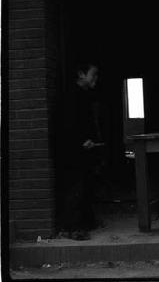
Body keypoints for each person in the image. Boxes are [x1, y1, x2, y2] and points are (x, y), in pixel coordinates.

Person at [60, 63, 102, 240]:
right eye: (93, 75)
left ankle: (85, 223)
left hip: (83, 148)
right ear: (80, 74)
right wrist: (81, 141)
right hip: (74, 151)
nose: (96, 79)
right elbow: (68, 124)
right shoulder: (71, 96)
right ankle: (72, 228)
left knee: (85, 185)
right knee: (76, 188)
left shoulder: (83, 95)